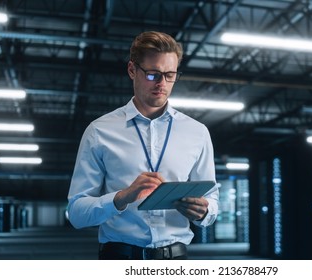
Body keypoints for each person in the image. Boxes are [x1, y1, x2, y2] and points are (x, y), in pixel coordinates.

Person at [67, 31, 219, 260]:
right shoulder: (99, 131)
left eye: (170, 75)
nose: (162, 84)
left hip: (175, 260)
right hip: (119, 258)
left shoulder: (197, 133)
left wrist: (204, 210)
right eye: (152, 74)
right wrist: (122, 197)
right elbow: (76, 213)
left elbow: (212, 200)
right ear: (132, 70)